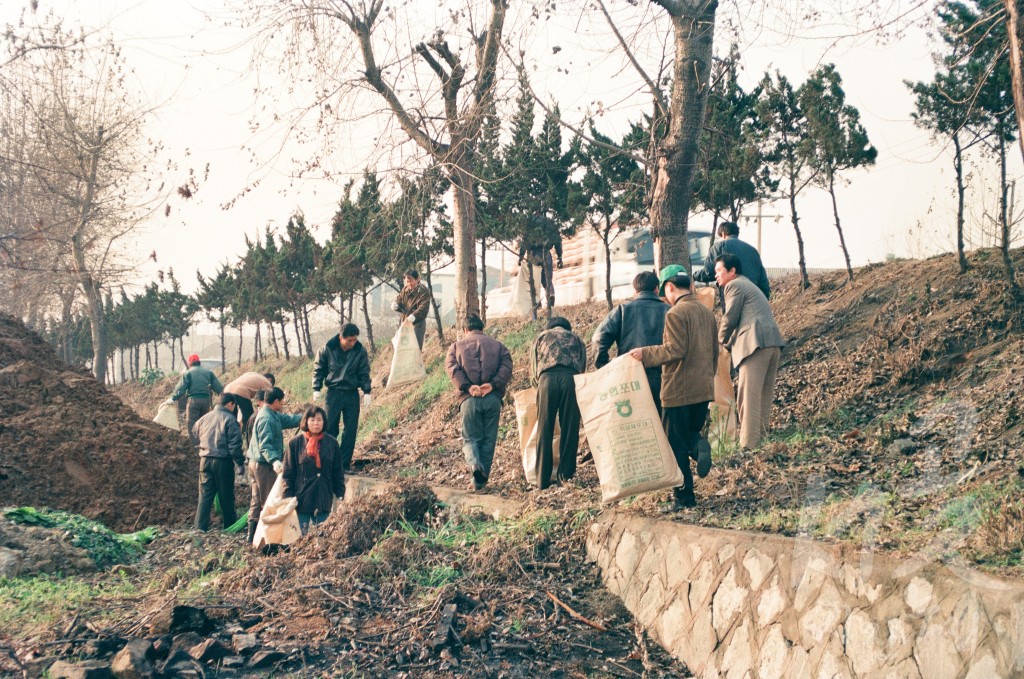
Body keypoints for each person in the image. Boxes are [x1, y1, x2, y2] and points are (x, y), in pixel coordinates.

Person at [629, 267, 718, 510]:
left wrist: (645, 353)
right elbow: (714, 352)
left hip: (678, 391)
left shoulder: (675, 314)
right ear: (689, 286)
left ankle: (684, 499)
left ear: (669, 287)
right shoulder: (706, 312)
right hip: (703, 389)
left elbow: (674, 350)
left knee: (674, 446)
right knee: (688, 434)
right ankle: (697, 444)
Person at [715, 252, 786, 451]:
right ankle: (760, 443)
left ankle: (747, 446)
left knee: (748, 397)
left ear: (732, 271)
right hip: (771, 343)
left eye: (719, 271)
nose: (716, 276)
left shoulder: (734, 285)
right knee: (763, 397)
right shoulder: (750, 285)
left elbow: (730, 318)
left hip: (755, 344)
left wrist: (719, 342)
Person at [445, 315, 513, 491]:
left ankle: (475, 465)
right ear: (482, 328)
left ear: (465, 330)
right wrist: (493, 384)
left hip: (469, 400)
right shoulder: (498, 346)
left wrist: (468, 387)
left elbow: (452, 369)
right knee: (488, 440)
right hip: (492, 399)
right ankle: (479, 483)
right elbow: (507, 366)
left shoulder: (455, 347)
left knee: (470, 439)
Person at [592, 271, 672, 412]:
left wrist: (605, 367)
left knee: (635, 427)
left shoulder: (623, 310)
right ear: (656, 289)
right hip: (664, 379)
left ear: (635, 291)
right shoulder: (670, 311)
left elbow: (598, 338)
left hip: (630, 378)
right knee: (661, 428)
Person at [530, 317, 586, 489]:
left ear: (550, 327)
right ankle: (566, 477)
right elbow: (582, 366)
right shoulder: (577, 339)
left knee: (544, 429)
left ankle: (542, 480)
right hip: (571, 379)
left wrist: (537, 386)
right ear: (567, 328)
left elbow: (533, 367)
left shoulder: (541, 337)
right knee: (570, 428)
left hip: (547, 380)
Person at [312, 323, 372, 472]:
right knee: (330, 427)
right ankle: (328, 462)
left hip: (352, 393)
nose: (352, 343)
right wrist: (316, 387)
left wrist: (367, 391)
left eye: (354, 340)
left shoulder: (360, 351)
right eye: (349, 340)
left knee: (350, 430)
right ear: (341, 337)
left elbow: (364, 371)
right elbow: (319, 368)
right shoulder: (327, 349)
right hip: (333, 393)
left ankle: (344, 464)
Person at [246, 387, 302, 543]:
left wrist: (304, 418)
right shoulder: (266, 418)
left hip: (256, 463)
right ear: (276, 401)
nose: (284, 403)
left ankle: (251, 538)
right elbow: (265, 445)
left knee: (256, 501)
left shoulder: (271, 414)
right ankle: (267, 539)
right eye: (282, 400)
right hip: (263, 466)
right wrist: (274, 461)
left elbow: (287, 420)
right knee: (268, 502)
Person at [283, 405, 345, 534]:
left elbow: (337, 471)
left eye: (319, 420)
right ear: (305, 422)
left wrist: (339, 494)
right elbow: (288, 473)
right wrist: (288, 496)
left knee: (323, 535)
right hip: (302, 497)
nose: (315, 423)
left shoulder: (332, 443)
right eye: (312, 420)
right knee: (302, 536)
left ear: (324, 422)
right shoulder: (295, 443)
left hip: (323, 495)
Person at [191, 393, 245, 532]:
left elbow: (194, 432)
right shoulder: (230, 419)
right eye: (234, 406)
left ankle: (200, 527)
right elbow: (235, 444)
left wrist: (203, 445)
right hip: (222, 462)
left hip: (205, 460)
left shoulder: (204, 418)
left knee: (205, 495)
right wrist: (239, 462)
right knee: (226, 495)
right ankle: (230, 527)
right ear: (230, 404)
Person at [693, 221, 771, 300]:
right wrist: (764, 299)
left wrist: (694, 276)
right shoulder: (753, 250)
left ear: (723, 234)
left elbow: (709, 273)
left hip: (732, 294)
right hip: (754, 296)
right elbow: (763, 280)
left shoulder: (719, 247)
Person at [167, 354, 224, 447]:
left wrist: (173, 398)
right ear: (199, 363)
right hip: (206, 401)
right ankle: (205, 443)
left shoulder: (188, 373)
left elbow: (181, 388)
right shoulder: (208, 372)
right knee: (204, 422)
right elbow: (219, 388)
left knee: (192, 423)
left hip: (193, 400)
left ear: (190, 363)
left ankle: (195, 445)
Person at [518, 215, 564, 311]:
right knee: (547, 279)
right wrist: (559, 257)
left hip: (533, 254)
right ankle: (550, 294)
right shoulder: (550, 223)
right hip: (546, 253)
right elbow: (557, 241)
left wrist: (521, 256)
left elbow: (524, 242)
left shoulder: (530, 222)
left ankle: (537, 303)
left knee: (534, 281)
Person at [223, 371, 275, 439]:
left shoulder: (254, 375)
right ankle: (246, 437)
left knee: (231, 417)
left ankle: (230, 437)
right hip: (240, 391)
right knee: (249, 417)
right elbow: (266, 402)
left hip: (227, 389)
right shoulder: (268, 385)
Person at [391, 270, 434, 349]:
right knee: (402, 348)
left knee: (414, 349)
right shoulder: (405, 289)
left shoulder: (423, 291)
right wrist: (396, 304)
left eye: (411, 281)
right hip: (404, 322)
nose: (409, 284)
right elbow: (399, 299)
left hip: (417, 324)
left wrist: (414, 315)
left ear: (417, 279)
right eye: (407, 281)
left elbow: (423, 307)